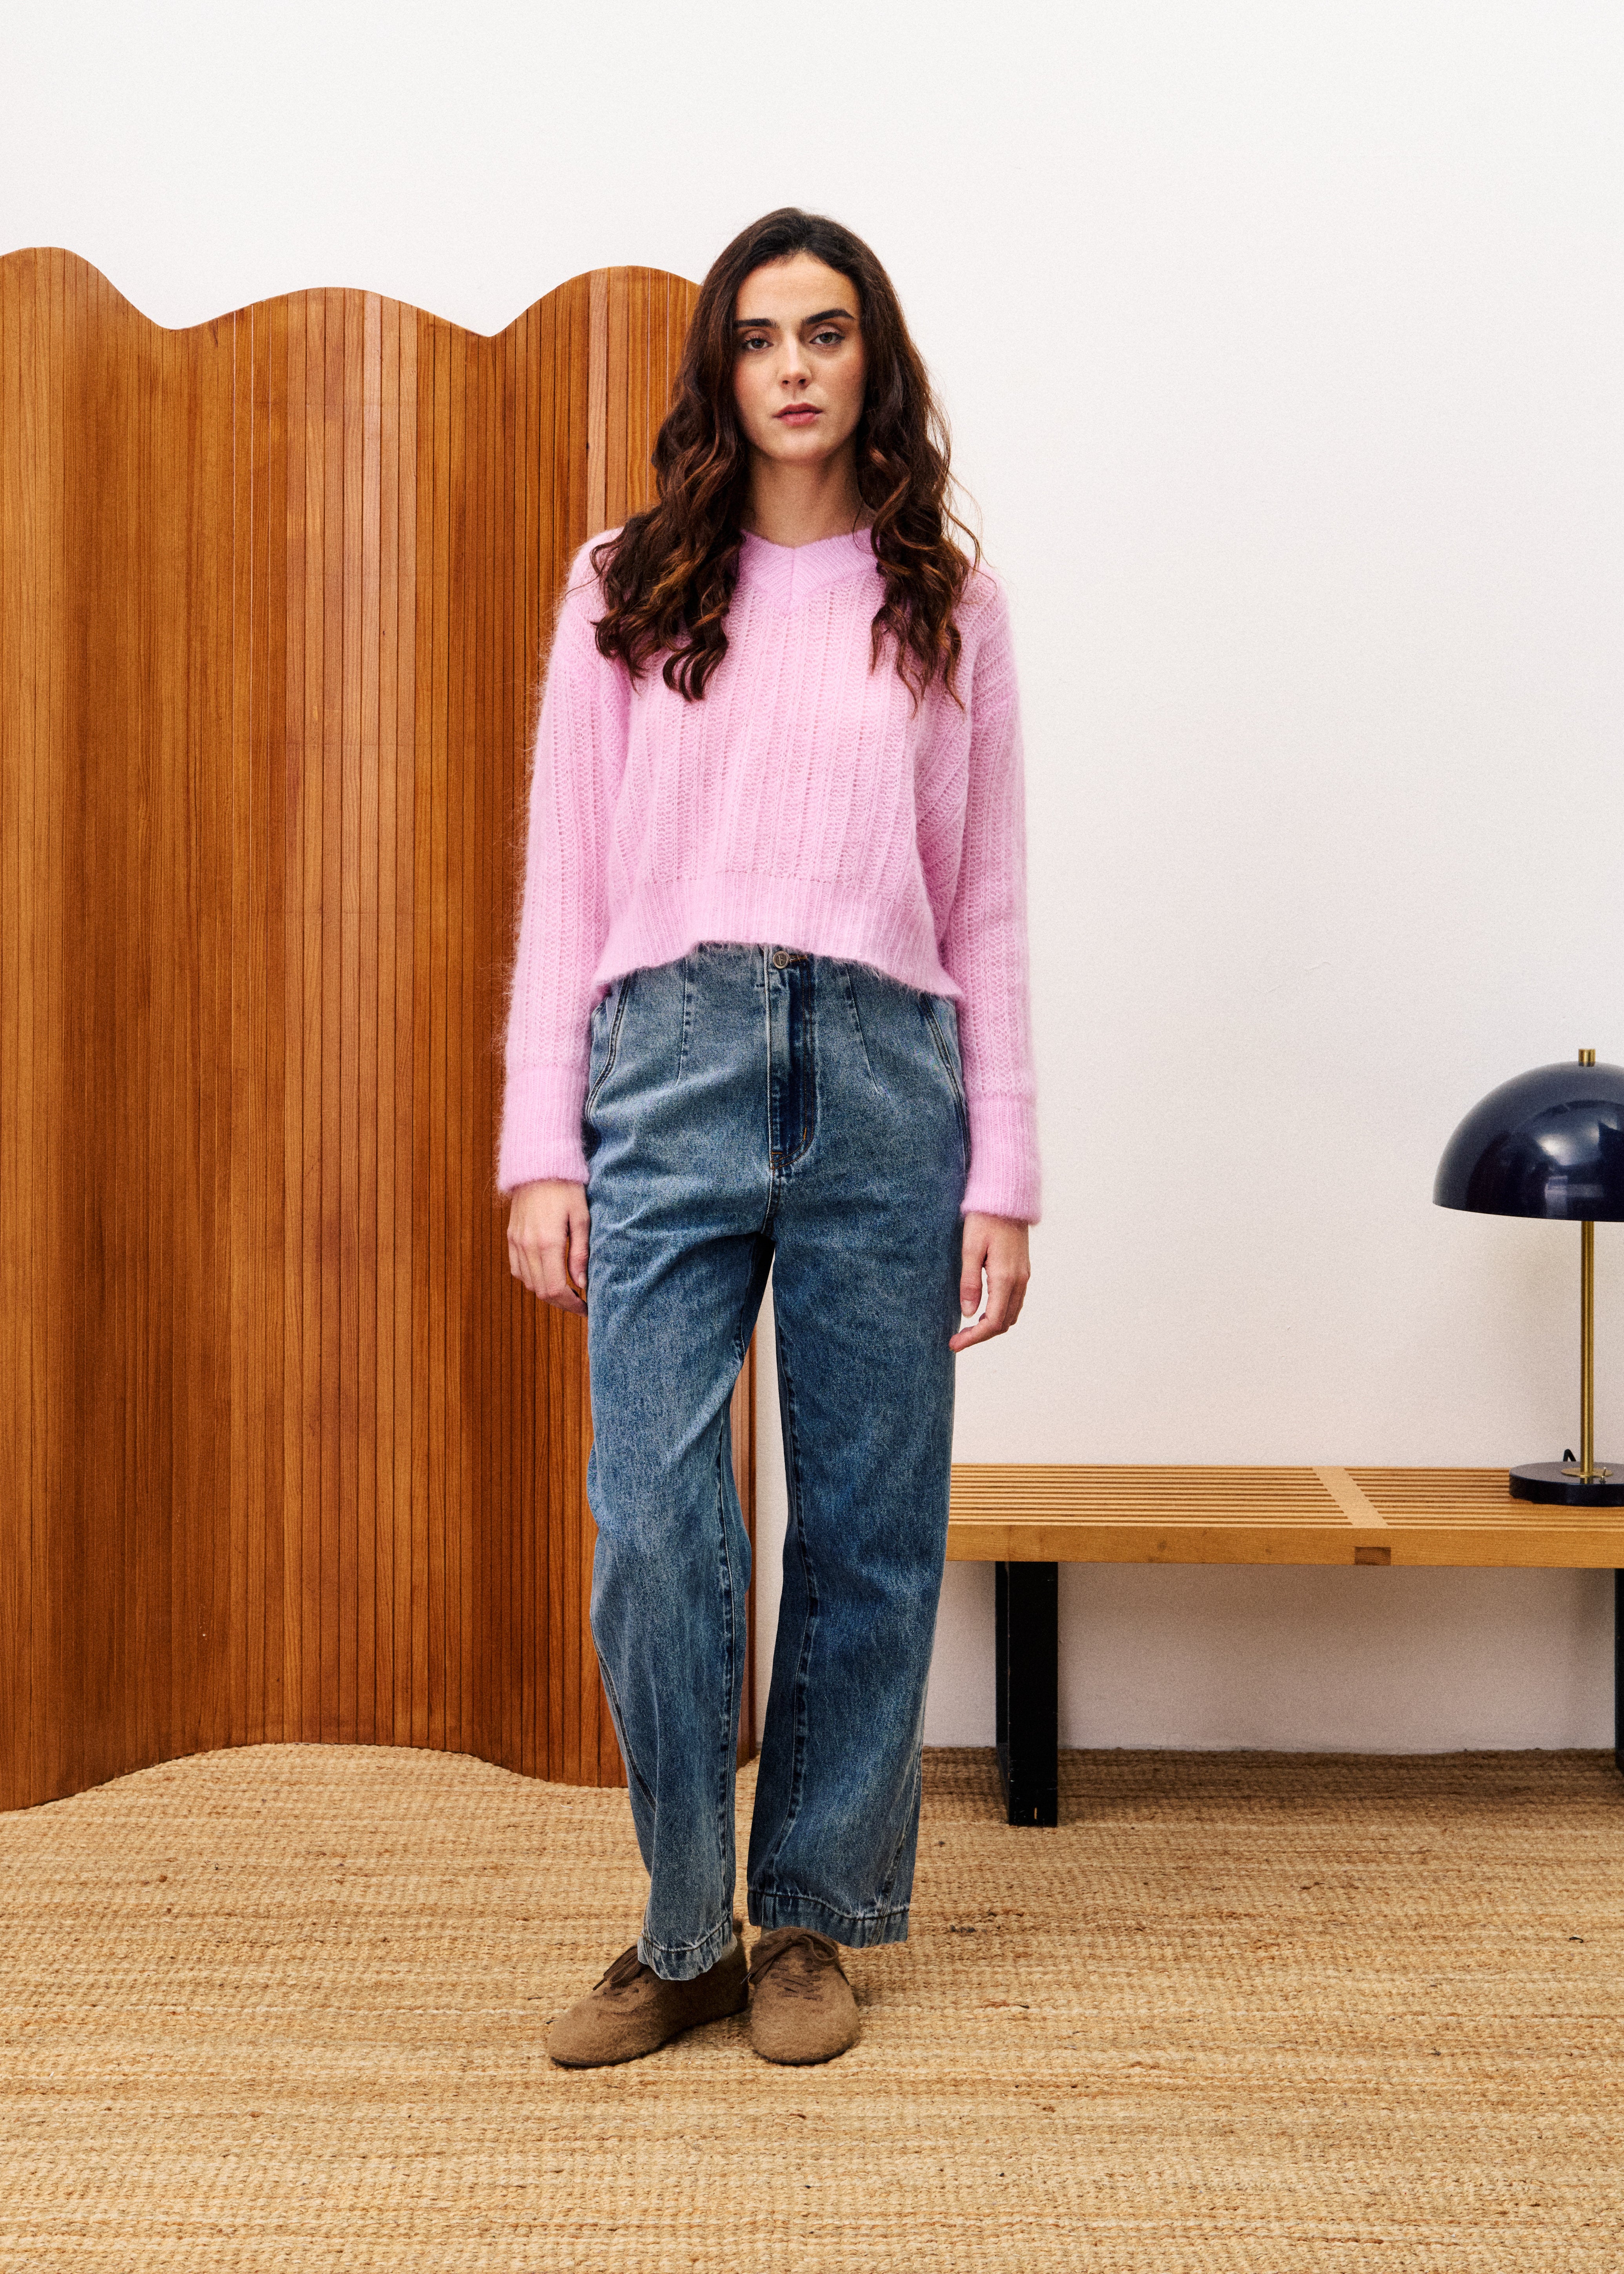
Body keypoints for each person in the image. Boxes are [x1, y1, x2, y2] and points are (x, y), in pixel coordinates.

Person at [498, 207, 1040, 2068]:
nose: (792, 366)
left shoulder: (946, 603)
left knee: (872, 1522)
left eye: (825, 332)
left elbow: (987, 905)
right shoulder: (629, 584)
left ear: (872, 360)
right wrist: (544, 1146)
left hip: (888, 1070)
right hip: (669, 1062)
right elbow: (568, 884)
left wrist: (1004, 1171)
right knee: (655, 1523)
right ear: (719, 370)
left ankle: (810, 1917)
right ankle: (681, 1930)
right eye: (757, 336)